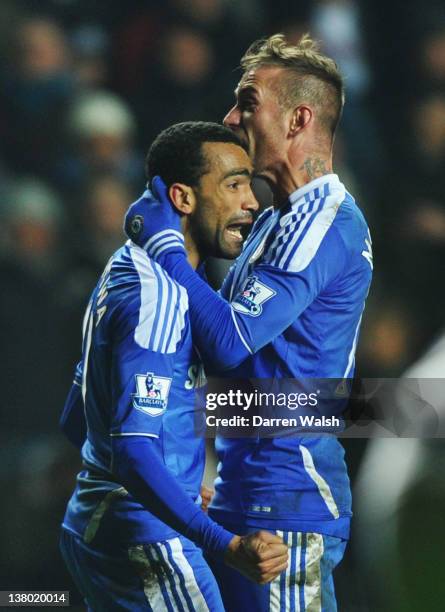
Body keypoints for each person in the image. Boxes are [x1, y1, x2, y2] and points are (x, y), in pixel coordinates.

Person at [125, 34, 373, 611]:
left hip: (286, 507)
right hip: (241, 493)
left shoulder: (326, 222)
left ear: (298, 119)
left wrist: (164, 248)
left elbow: (231, 340)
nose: (230, 116)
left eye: (248, 101)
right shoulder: (273, 221)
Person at [59, 121, 289, 612]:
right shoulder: (158, 295)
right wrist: (224, 544)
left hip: (96, 525)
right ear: (183, 199)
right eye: (233, 184)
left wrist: (181, 489)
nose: (251, 201)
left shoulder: (122, 267)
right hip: (147, 539)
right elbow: (134, 453)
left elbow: (75, 418)